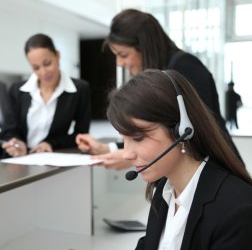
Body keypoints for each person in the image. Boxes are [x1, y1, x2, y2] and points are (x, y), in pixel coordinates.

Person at [76, 8, 243, 169]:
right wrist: (109, 148)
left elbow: (194, 133)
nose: (119, 63)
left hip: (212, 171)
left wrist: (129, 157)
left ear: (144, 46)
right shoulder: (163, 73)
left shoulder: (185, 67)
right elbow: (158, 132)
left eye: (123, 55)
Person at [107, 69, 252, 249]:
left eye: (138, 138)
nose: (127, 154)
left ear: (182, 130)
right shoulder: (164, 191)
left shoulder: (236, 211)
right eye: (123, 139)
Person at [1, 33, 91, 157]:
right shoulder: (17, 90)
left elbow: (81, 134)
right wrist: (16, 143)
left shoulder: (79, 89)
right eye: (36, 67)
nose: (43, 72)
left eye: (47, 63)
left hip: (54, 158)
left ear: (57, 56)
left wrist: (50, 144)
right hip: (20, 159)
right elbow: (9, 131)